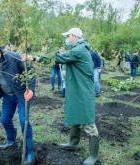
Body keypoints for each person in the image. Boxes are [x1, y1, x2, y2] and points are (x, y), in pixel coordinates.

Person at [55, 28, 99, 165]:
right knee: (75, 116)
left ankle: (93, 156)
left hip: (84, 91)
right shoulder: (79, 48)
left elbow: (58, 57)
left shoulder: (79, 50)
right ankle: (73, 143)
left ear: (75, 36)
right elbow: (67, 56)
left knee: (88, 121)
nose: (67, 39)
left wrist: (36, 58)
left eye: (68, 36)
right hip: (78, 89)